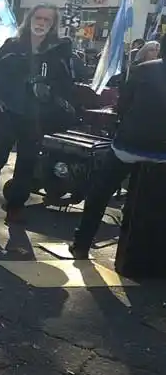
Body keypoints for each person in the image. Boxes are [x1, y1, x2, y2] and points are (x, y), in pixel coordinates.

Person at [0, 4, 75, 223]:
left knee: (26, 163)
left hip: (37, 117)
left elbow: (67, 83)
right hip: (10, 112)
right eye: (38, 17)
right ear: (30, 19)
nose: (41, 23)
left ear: (53, 24)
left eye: (47, 20)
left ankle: (15, 206)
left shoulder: (58, 50)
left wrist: (49, 91)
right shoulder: (13, 45)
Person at [69, 35, 166, 259]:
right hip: (163, 153)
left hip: (129, 146)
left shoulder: (142, 70)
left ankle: (82, 243)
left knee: (100, 192)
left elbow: (122, 106)